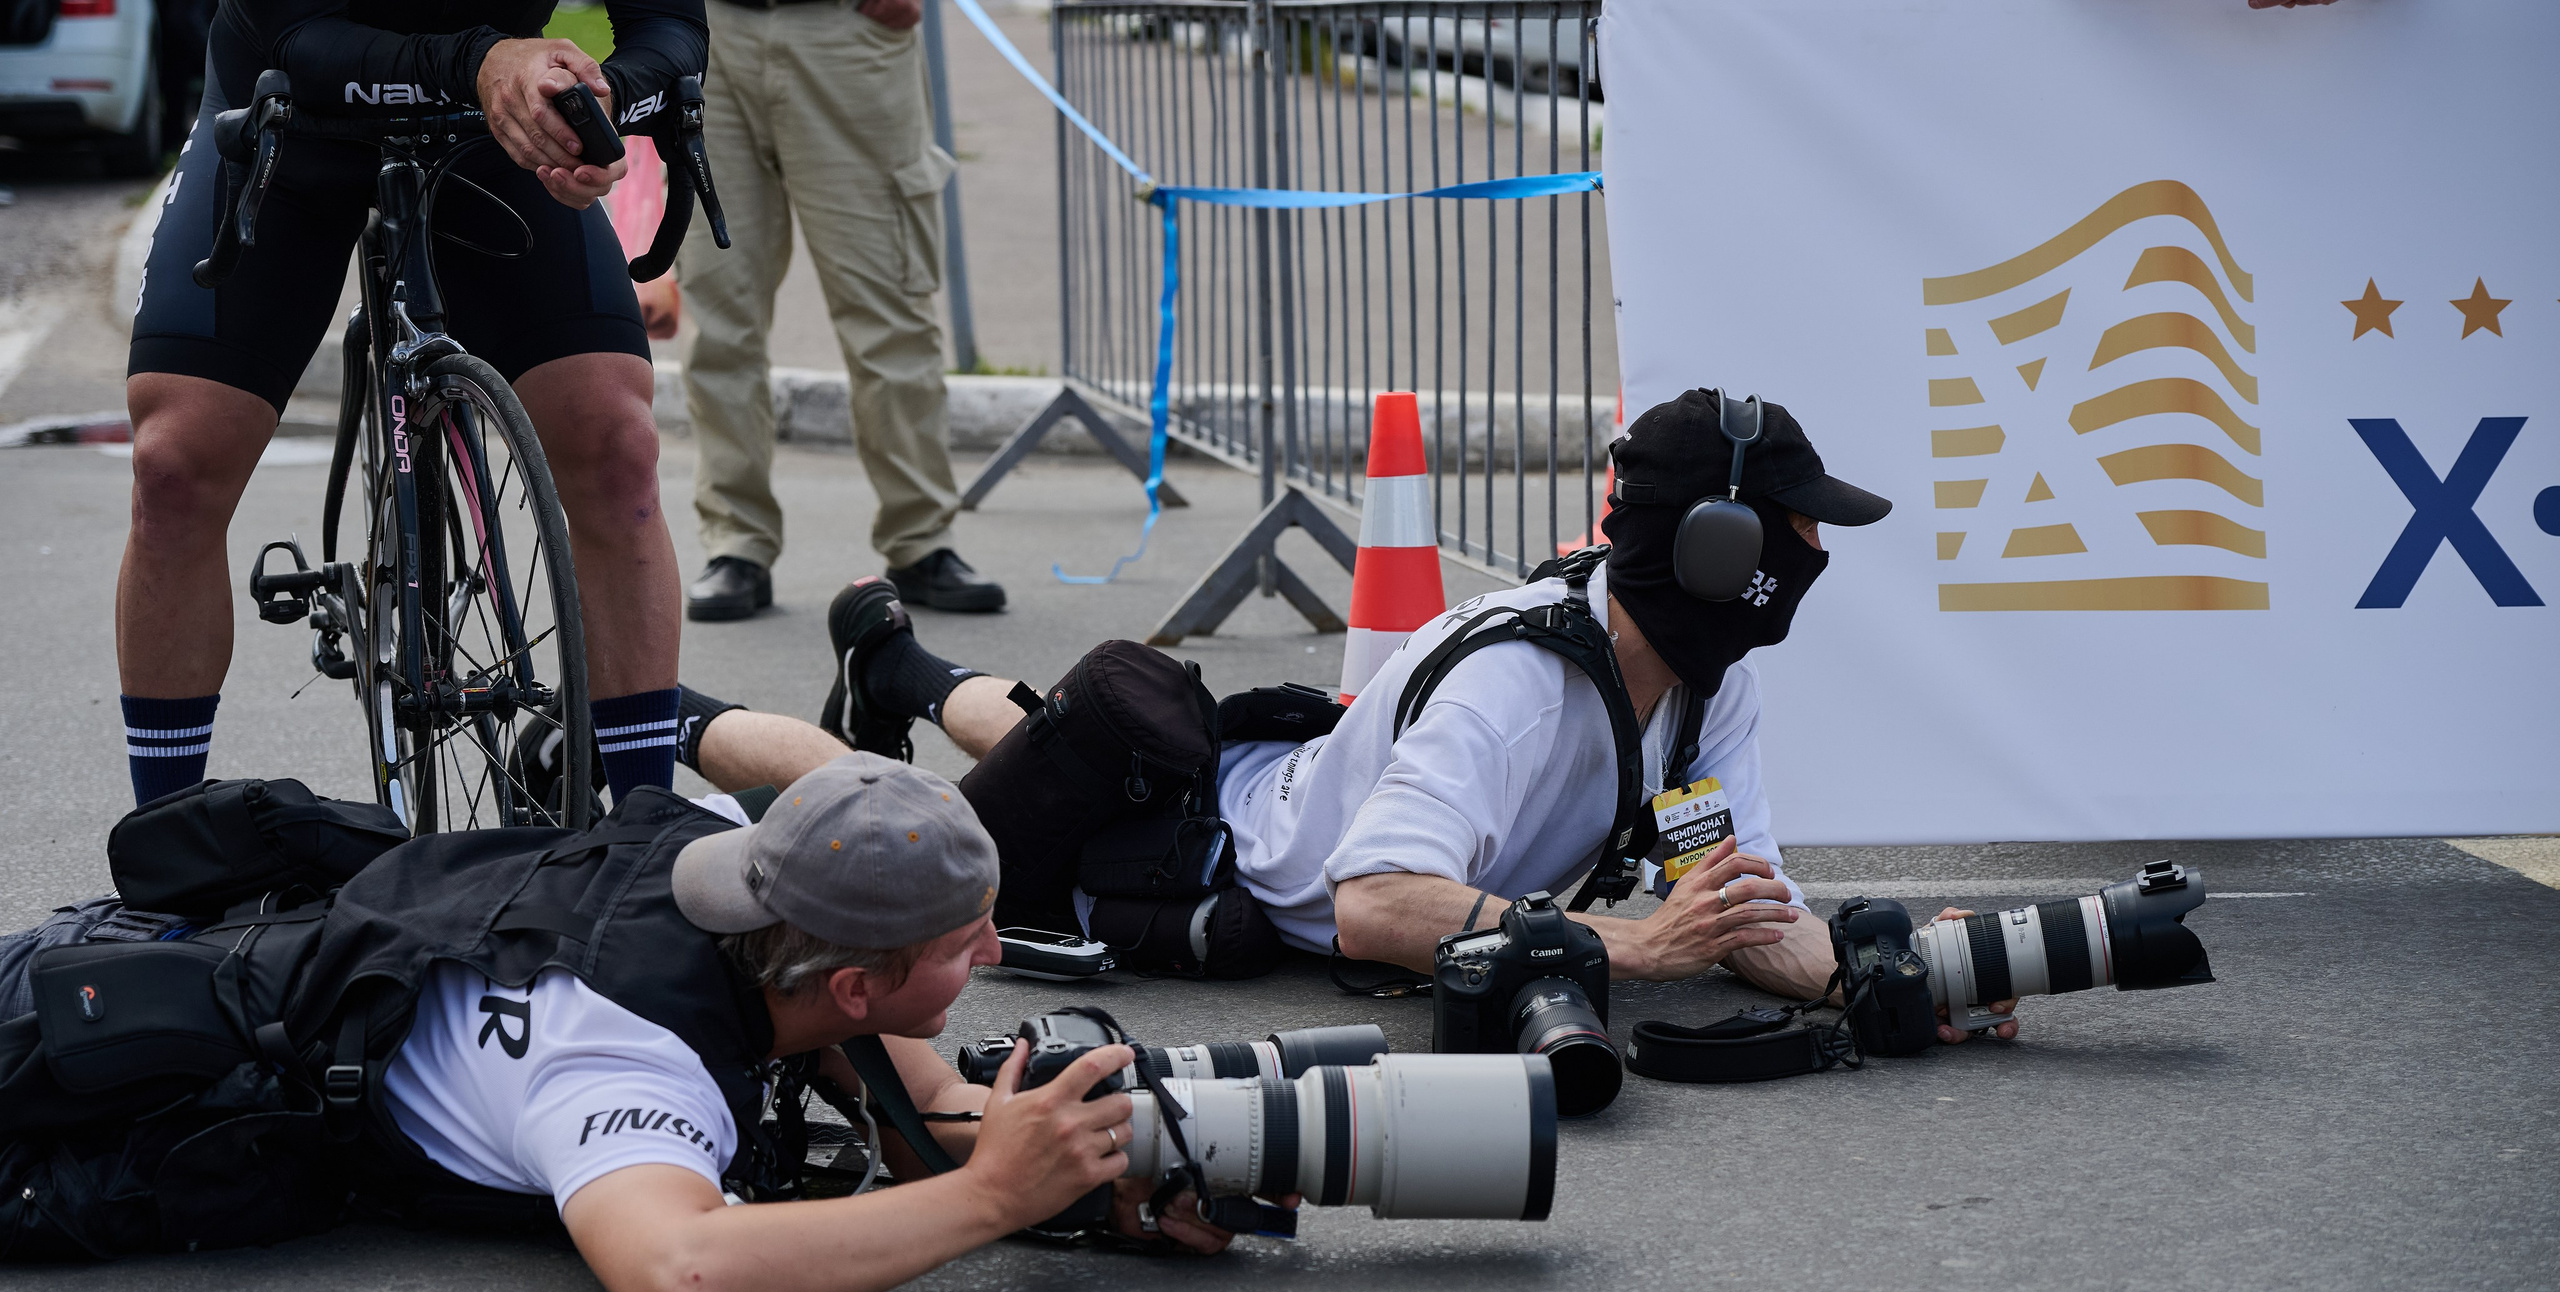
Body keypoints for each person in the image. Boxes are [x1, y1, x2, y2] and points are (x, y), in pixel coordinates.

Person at [672, 390, 2018, 1042]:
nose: (1815, 552)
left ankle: (903, 665)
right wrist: (1637, 947)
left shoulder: (1711, 682)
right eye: (1795, 527)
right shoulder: (1519, 695)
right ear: (1721, 548)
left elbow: (1732, 901)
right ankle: (671, 724)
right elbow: (1375, 906)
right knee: (891, 830)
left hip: (1253, 770)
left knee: (1049, 741)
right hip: (1197, 848)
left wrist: (1870, 972)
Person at [0, 757, 1251, 1292]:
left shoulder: (723, 865)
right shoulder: (624, 1068)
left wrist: (1100, 1180)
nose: (990, 959)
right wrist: (989, 1197)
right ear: (860, 984)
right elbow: (685, 1279)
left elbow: (911, 1099)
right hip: (91, 1067)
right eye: (968, 942)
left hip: (159, 950)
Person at [120, 1, 702, 808]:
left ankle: (645, 827)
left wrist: (602, 99)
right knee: (174, 464)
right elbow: (291, 30)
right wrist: (483, 61)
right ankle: (161, 838)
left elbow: (671, 27)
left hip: (494, 125)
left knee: (617, 444)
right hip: (299, 111)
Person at [674, 0, 1005, 622]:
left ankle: (921, 539)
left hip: (847, 31)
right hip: (709, 28)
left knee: (888, 307)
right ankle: (735, 542)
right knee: (718, 314)